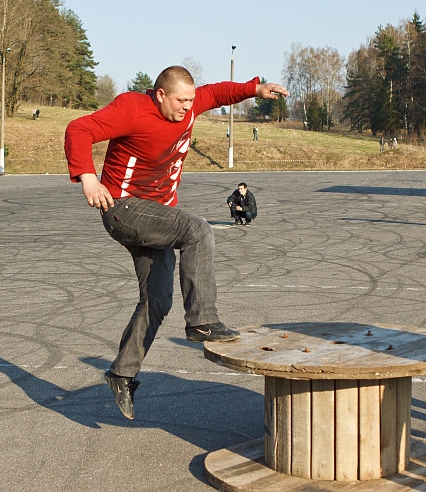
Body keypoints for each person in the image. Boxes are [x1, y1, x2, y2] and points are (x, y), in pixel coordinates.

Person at [65, 65, 289, 419]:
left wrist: (254, 89)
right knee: (198, 230)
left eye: (190, 100)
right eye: (181, 101)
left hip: (155, 214)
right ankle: (203, 319)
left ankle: (122, 374)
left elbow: (217, 93)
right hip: (124, 207)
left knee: (157, 301)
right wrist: (88, 179)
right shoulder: (132, 108)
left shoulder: (191, 103)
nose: (188, 107)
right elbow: (79, 128)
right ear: (160, 96)